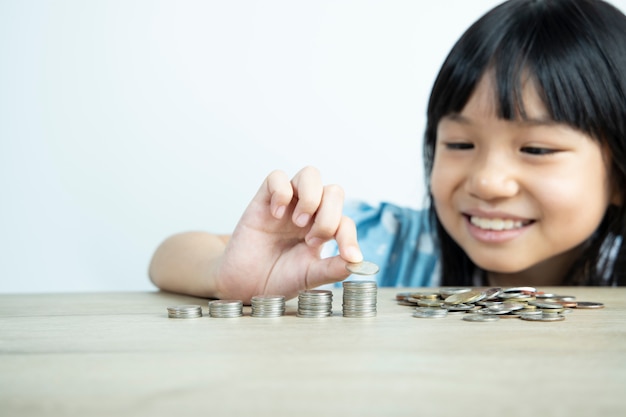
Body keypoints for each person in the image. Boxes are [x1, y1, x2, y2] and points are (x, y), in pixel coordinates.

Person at [149, 0, 626, 303]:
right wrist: (228, 276)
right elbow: (170, 254)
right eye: (459, 143)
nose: (485, 181)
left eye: (537, 148)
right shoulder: (383, 244)